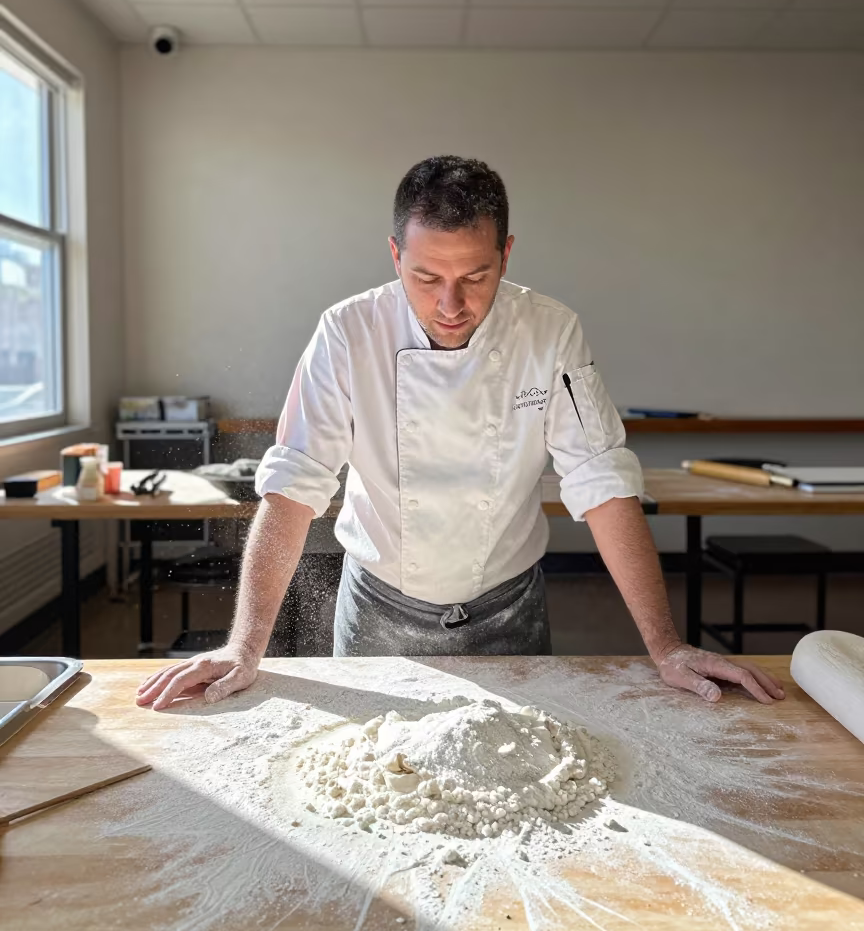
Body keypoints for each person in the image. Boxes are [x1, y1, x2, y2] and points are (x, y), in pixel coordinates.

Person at [137, 156, 784, 712]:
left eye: (475, 277)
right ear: (395, 255)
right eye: (425, 278)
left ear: (506, 253)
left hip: (510, 608)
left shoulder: (549, 332)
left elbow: (603, 483)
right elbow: (294, 488)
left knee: (523, 793)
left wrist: (666, 646)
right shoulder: (348, 333)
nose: (451, 305)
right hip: (378, 611)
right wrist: (243, 646)